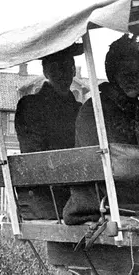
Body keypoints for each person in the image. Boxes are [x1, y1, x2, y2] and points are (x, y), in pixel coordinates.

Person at [66, 34, 139, 223]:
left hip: (135, 196)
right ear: (113, 75)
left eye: (138, 74)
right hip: (105, 200)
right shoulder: (95, 110)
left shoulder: (136, 110)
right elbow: (109, 166)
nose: (134, 80)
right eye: (126, 74)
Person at [13, 42, 83, 218]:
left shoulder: (79, 109)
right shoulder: (30, 106)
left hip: (77, 191)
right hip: (46, 196)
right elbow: (33, 155)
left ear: (74, 71)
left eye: (68, 66)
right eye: (56, 67)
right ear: (46, 72)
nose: (63, 73)